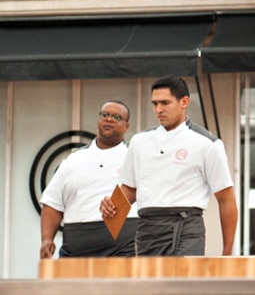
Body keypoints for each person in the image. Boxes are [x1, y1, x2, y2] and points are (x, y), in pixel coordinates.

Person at [100, 75, 238, 256]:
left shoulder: (208, 144)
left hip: (186, 227)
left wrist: (227, 251)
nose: (159, 109)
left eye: (165, 103)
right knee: (149, 285)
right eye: (155, 104)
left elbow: (226, 198)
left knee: (184, 284)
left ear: (184, 102)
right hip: (147, 228)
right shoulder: (139, 141)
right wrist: (111, 205)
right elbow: (130, 189)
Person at [40, 100, 138, 258]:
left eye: (116, 117)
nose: (109, 119)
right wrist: (46, 240)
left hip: (123, 250)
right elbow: (52, 202)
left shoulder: (134, 158)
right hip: (76, 248)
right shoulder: (74, 160)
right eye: (104, 115)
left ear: (126, 126)